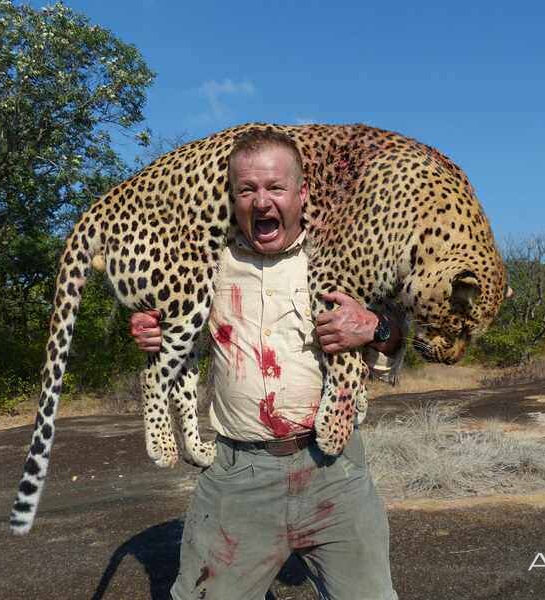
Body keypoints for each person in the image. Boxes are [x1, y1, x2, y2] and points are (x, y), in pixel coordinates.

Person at [130, 129, 403, 600]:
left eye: (275, 188)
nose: (262, 202)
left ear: (301, 193)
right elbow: (169, 337)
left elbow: (396, 335)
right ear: (231, 197)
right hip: (239, 475)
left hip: (334, 471)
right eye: (247, 189)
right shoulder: (202, 262)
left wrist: (374, 326)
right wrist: (150, 332)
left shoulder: (344, 253)